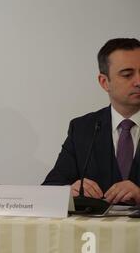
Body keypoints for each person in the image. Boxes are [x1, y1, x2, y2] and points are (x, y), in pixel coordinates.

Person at [43, 38, 140, 205]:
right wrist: (69, 191)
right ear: (104, 82)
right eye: (127, 75)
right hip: (92, 231)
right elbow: (50, 188)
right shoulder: (82, 129)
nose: (138, 81)